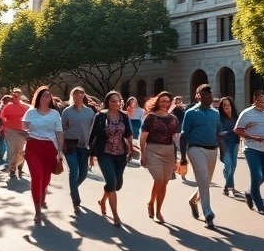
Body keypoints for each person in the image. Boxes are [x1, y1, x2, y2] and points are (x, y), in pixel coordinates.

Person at [179, 83, 224, 228]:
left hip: (212, 150)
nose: (207, 96)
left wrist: (223, 151)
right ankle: (208, 213)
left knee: (205, 182)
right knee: (204, 179)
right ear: (197, 96)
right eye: (203, 94)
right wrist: (183, 157)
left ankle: (193, 201)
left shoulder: (215, 113)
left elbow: (219, 134)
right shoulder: (191, 113)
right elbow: (184, 135)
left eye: (209, 94)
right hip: (196, 149)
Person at [89, 90, 133, 227]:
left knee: (117, 184)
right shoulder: (100, 116)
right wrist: (91, 155)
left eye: (118, 101)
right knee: (112, 183)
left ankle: (102, 201)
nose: (115, 103)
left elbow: (128, 134)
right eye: (112, 101)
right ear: (108, 102)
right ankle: (115, 215)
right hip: (105, 153)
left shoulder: (124, 117)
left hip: (120, 154)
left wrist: (130, 149)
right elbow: (93, 136)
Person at [22, 86, 64, 223]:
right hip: (33, 147)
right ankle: (37, 210)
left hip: (50, 147)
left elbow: (59, 133)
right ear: (38, 98)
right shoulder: (31, 113)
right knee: (36, 177)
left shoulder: (55, 114)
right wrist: (26, 135)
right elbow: (23, 127)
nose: (47, 97)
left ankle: (42, 197)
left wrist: (60, 152)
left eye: (48, 95)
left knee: (45, 179)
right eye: (44, 95)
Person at [140, 91, 180, 223]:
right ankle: (151, 203)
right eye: (162, 101)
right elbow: (143, 137)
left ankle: (158, 211)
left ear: (170, 103)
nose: (165, 103)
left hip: (168, 152)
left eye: (167, 101)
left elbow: (176, 139)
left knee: (165, 183)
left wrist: (178, 158)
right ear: (158, 102)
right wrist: (142, 154)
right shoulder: (151, 117)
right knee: (159, 179)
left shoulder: (173, 119)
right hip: (153, 150)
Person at [235, 89, 264, 215]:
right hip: (251, 148)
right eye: (261, 98)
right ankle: (260, 205)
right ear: (256, 99)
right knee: (257, 175)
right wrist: (253, 137)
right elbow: (237, 130)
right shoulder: (247, 113)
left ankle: (249, 191)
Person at [61, 86, 95, 213]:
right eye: (76, 94)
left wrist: (92, 148)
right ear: (72, 96)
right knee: (74, 170)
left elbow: (93, 129)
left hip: (84, 145)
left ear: (84, 96)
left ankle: (72, 189)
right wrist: (61, 144)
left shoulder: (90, 112)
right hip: (70, 144)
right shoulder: (67, 112)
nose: (78, 96)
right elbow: (62, 128)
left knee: (83, 174)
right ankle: (76, 201)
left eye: (81, 94)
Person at [1, 88, 29, 178]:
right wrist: (5, 126)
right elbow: (3, 116)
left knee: (21, 150)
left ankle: (20, 166)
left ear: (21, 95)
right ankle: (12, 168)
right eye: (14, 94)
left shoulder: (26, 106)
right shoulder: (8, 106)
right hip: (11, 130)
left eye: (18, 94)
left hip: (22, 131)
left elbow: (30, 118)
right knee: (13, 149)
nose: (15, 96)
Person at [218, 96, 240, 196]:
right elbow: (217, 131)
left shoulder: (236, 116)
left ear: (231, 105)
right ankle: (230, 186)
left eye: (228, 104)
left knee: (234, 165)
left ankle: (228, 185)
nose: (226, 106)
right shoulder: (219, 116)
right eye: (224, 105)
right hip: (224, 144)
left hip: (235, 143)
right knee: (229, 165)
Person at [0, 95, 11, 165]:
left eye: (10, 100)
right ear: (4, 101)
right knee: (2, 144)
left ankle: (8, 159)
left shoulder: (12, 108)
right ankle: (1, 157)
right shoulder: (0, 109)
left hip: (11, 129)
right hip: (3, 128)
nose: (9, 102)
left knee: (9, 145)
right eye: (7, 100)